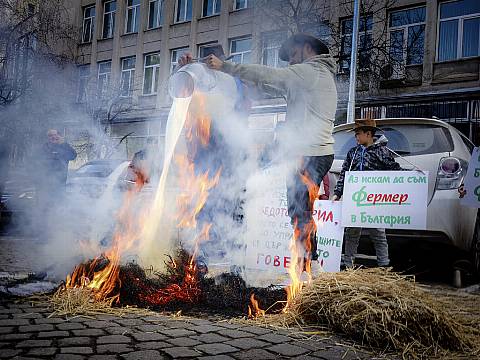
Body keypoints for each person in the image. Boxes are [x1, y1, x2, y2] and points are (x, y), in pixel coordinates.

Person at [188, 33, 337, 271]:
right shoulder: (311, 76)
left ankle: (310, 267)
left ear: (306, 48)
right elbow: (263, 86)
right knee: (297, 210)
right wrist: (212, 72)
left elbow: (270, 75)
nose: (290, 63)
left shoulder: (312, 72)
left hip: (309, 153)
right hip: (306, 152)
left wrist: (225, 65)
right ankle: (309, 264)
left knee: (300, 211)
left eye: (292, 56)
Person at [332, 119, 402, 268]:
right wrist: (338, 193)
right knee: (352, 233)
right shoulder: (353, 153)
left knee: (378, 233)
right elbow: (345, 173)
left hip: (374, 200)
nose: (356, 137)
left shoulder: (382, 151)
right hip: (355, 200)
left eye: (358, 134)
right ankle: (348, 265)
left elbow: (394, 170)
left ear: (368, 134)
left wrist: (413, 177)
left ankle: (383, 265)